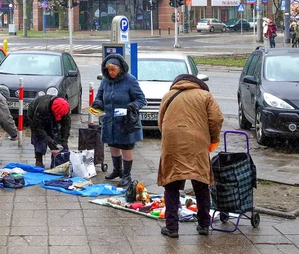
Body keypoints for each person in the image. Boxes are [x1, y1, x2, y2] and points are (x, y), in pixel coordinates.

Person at [157, 74, 223, 238]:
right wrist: (213, 138)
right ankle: (203, 225)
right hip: (197, 142)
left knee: (172, 184)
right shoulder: (205, 96)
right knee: (200, 183)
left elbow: (161, 121)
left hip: (172, 142)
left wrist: (170, 136)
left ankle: (172, 227)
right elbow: (216, 119)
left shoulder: (168, 95)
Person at [92, 53, 146, 187]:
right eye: (108, 70)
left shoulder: (130, 80)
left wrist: (133, 106)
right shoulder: (105, 80)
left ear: (120, 68)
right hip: (109, 120)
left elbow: (141, 99)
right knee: (112, 145)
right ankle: (117, 170)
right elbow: (99, 96)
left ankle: (127, 175)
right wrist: (98, 104)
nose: (111, 73)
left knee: (125, 147)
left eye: (113, 70)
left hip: (125, 121)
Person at [27, 95, 71, 168]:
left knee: (56, 137)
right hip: (34, 114)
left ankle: (56, 161)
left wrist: (64, 140)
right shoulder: (42, 108)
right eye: (57, 114)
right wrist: (47, 138)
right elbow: (37, 127)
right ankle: (39, 161)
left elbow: (66, 126)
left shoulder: (65, 109)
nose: (58, 117)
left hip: (50, 113)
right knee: (39, 138)